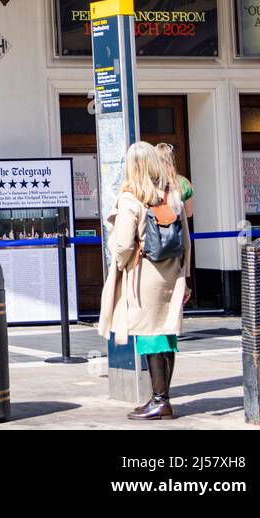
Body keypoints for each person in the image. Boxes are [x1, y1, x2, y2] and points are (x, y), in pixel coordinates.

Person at [98, 141, 191, 421]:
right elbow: (186, 238)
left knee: (150, 334)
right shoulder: (172, 195)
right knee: (167, 331)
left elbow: (124, 244)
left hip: (145, 274)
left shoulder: (131, 198)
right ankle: (162, 398)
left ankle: (160, 401)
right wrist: (184, 274)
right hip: (172, 273)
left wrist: (120, 263)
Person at [155, 143, 194, 220]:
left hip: (154, 230)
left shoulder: (149, 183)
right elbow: (189, 213)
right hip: (176, 229)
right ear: (172, 160)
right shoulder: (183, 183)